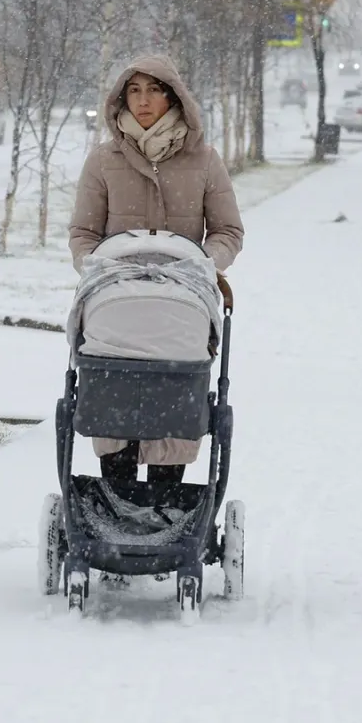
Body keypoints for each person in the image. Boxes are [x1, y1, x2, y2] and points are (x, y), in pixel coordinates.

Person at [70, 56, 244, 493]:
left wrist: (206, 265)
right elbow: (84, 233)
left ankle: (168, 495)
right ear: (122, 98)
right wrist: (98, 270)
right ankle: (117, 493)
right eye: (134, 91)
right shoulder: (104, 159)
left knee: (174, 403)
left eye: (153, 90)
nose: (143, 100)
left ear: (172, 96)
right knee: (114, 401)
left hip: (181, 301)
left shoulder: (203, 160)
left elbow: (227, 230)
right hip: (118, 300)